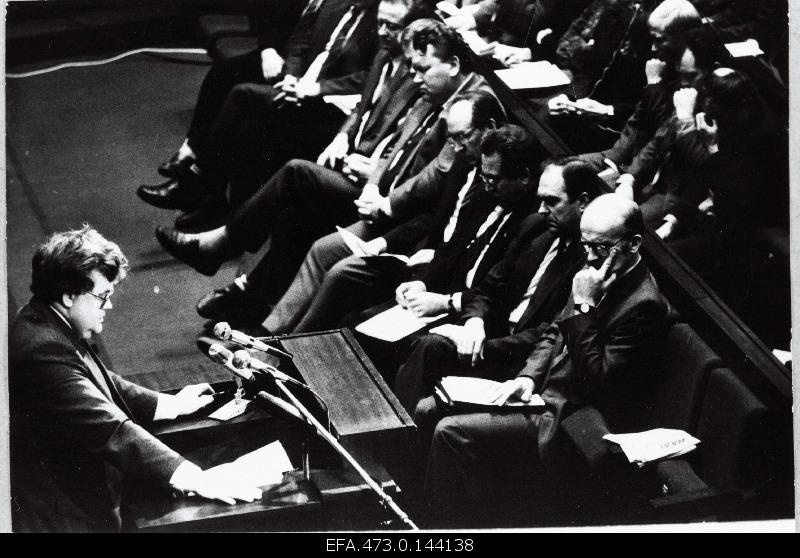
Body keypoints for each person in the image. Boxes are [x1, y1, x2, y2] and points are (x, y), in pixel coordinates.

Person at [157, 20, 495, 327]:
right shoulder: (432, 91)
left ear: (452, 65)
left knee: (295, 175)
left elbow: (434, 175)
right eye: (413, 69)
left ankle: (229, 258)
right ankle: (256, 305)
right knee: (293, 212)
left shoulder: (467, 109)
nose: (415, 77)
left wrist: (383, 200)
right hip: (375, 191)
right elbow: (395, 146)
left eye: (423, 69)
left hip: (404, 217)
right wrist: (373, 181)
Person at [414, 194, 670, 519]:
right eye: (585, 244)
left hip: (567, 418)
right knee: (426, 408)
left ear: (634, 243)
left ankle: (442, 526)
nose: (590, 256)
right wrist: (526, 377)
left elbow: (598, 381)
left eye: (601, 248)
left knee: (450, 430)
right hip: (537, 396)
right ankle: (420, 508)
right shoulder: (592, 270)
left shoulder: (644, 305)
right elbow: (553, 332)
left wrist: (583, 307)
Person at [9, 226, 262, 532]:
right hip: (60, 518)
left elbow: (98, 378)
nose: (109, 306)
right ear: (68, 295)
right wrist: (198, 478)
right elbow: (112, 431)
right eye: (103, 296)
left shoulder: (44, 320)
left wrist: (167, 404)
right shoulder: (41, 350)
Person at [137, 0, 381, 224]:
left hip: (333, 102)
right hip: (299, 85)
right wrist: (291, 76)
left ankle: (198, 184)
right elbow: (300, 41)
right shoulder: (336, 5)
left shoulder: (380, 20)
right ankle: (216, 204)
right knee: (244, 117)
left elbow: (372, 77)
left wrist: (315, 88)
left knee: (243, 96)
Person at [393, 156, 605, 412]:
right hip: (491, 341)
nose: (541, 209)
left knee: (428, 356)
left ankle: (393, 433)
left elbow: (549, 332)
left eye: (551, 201)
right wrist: (474, 322)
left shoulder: (591, 261)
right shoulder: (536, 228)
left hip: (521, 364)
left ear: (582, 202)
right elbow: (490, 289)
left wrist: (485, 344)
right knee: (425, 344)